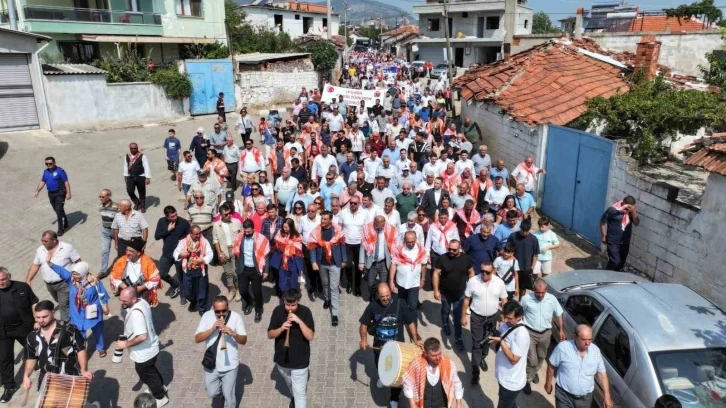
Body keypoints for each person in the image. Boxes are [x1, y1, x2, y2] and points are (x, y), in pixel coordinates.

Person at [359, 283, 422, 408]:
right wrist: (363, 339)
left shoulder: (400, 303)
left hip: (398, 349)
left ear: (390, 293)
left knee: (397, 374)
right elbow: (364, 324)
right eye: (383, 297)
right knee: (380, 367)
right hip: (379, 349)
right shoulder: (372, 306)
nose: (386, 298)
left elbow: (410, 322)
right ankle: (383, 378)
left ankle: (394, 398)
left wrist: (415, 338)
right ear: (378, 295)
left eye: (388, 295)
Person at [22, 301, 93, 394]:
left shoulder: (69, 329)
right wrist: (26, 376)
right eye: (38, 317)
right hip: (48, 381)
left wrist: (84, 370)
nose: (41, 320)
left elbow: (81, 350)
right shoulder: (32, 336)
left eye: (44, 317)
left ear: (53, 312)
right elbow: (31, 358)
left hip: (70, 376)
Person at [116, 287, 169, 407]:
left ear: (134, 299)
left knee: (146, 375)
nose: (121, 303)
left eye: (124, 301)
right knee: (152, 372)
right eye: (120, 299)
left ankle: (160, 397)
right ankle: (160, 387)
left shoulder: (136, 314)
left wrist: (125, 344)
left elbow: (142, 336)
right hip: (151, 347)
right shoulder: (142, 302)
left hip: (144, 353)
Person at [46, 260, 110, 358]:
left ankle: (101, 347)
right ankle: (81, 353)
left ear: (83, 272)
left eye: (77, 274)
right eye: (73, 273)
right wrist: (50, 264)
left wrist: (105, 306)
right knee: (78, 334)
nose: (74, 276)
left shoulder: (94, 281)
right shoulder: (71, 281)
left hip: (93, 312)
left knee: (98, 330)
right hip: (77, 313)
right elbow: (62, 271)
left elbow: (102, 294)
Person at [195, 296, 247, 408]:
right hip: (212, 364)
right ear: (213, 309)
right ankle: (222, 391)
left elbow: (244, 340)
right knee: (212, 392)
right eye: (217, 311)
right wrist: (212, 329)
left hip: (230, 365)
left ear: (228, 307)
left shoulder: (236, 317)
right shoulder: (206, 316)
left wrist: (232, 333)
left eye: (224, 310)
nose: (221, 314)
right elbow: (197, 339)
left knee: (229, 397)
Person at [462, 261, 508, 384]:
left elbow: (504, 300)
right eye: (482, 271)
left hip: (492, 317)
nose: (484, 274)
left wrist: (505, 317)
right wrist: (463, 316)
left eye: (487, 272)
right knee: (476, 343)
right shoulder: (473, 282)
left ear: (492, 271)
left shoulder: (499, 283)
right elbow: (467, 299)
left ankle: (483, 357)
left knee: (487, 341)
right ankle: (475, 372)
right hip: (477, 317)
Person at [267, 289, 315, 408]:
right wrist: (281, 328)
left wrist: (299, 321)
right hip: (282, 360)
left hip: (300, 361)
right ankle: (293, 395)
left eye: (293, 305)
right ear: (284, 300)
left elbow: (310, 336)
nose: (290, 307)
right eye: (287, 304)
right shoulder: (277, 311)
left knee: (300, 393)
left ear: (298, 301)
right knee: (291, 385)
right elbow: (270, 334)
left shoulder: (305, 312)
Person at [545, 324, 612, 408]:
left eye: (590, 339)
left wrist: (607, 396)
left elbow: (602, 374)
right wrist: (548, 383)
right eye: (583, 339)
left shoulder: (596, 351)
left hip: (585, 399)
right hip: (564, 395)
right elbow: (552, 365)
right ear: (575, 337)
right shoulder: (563, 348)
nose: (587, 343)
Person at [0, 267, 38, 403]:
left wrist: (37, 320)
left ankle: (40, 363)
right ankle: (9, 386)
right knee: (4, 359)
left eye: (4, 279)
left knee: (35, 349)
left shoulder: (22, 287)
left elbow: (34, 302)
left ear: (9, 276)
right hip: (3, 331)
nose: (1, 282)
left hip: (24, 327)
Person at [521, 278, 565, 394]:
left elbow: (559, 314)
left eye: (542, 292)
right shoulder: (526, 299)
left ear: (546, 290)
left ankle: (534, 372)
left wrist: (561, 330)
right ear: (533, 290)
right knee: (532, 359)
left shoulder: (552, 299)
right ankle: (527, 380)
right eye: (537, 292)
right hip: (529, 332)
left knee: (541, 356)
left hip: (545, 333)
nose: (540, 295)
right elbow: (520, 314)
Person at [26, 230, 81, 322]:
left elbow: (78, 262)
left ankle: (67, 327)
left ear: (54, 240)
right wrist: (28, 279)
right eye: (42, 240)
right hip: (50, 285)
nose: (43, 243)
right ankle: (74, 309)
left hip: (65, 283)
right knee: (60, 301)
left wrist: (78, 277)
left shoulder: (67, 248)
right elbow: (36, 265)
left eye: (45, 241)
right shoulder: (40, 250)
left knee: (63, 305)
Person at [433, 239, 474, 351]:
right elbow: (436, 274)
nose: (451, 251)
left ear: (459, 248)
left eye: (454, 250)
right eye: (449, 249)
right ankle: (445, 323)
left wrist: (472, 288)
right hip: (445, 293)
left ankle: (458, 338)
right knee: (445, 310)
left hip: (460, 293)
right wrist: (436, 290)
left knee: (457, 316)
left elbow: (471, 272)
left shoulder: (466, 259)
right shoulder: (442, 258)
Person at [402, 337, 464, 408]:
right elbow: (407, 383)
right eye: (434, 355)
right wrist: (412, 404)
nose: (438, 358)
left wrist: (458, 404)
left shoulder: (448, 364)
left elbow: (457, 383)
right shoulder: (417, 364)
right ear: (425, 354)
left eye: (439, 353)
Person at [309, 211, 347, 327]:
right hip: (322, 264)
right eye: (322, 219)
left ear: (331, 220)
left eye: (325, 219)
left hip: (335, 263)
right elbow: (312, 247)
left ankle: (335, 314)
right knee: (325, 284)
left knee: (334, 287)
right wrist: (314, 262)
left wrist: (344, 259)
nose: (322, 221)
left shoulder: (338, 231)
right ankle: (327, 299)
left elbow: (342, 245)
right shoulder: (316, 231)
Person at [491, 301, 529, 408]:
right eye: (505, 317)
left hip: (510, 383)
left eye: (509, 318)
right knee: (510, 404)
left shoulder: (521, 334)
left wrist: (501, 342)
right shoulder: (509, 324)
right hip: (504, 378)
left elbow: (514, 359)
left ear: (519, 317)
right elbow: (500, 331)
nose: (506, 320)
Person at [105, 237, 162, 307]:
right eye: (127, 250)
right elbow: (113, 277)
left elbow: (156, 279)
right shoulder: (121, 261)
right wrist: (123, 286)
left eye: (131, 251)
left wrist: (141, 288)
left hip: (141, 294)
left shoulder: (148, 262)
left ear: (138, 253)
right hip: (126, 292)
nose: (128, 253)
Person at [234, 219, 271, 323]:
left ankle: (259, 310)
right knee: (242, 290)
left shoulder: (261, 239)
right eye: (245, 231)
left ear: (253, 229)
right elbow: (237, 252)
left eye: (249, 232)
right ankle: (249, 301)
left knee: (257, 292)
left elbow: (266, 256)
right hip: (243, 268)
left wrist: (266, 271)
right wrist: (237, 266)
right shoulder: (240, 236)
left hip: (256, 269)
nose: (246, 233)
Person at [174, 225, 213, 315]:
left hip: (200, 270)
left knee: (202, 290)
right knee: (187, 291)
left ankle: (202, 308)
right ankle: (193, 301)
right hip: (188, 270)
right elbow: (175, 253)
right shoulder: (183, 242)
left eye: (200, 233)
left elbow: (210, 254)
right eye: (196, 234)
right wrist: (181, 255)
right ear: (190, 234)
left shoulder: (204, 241)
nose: (199, 235)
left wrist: (203, 260)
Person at [389, 231, 428, 320]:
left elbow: (424, 264)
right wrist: (391, 281)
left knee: (413, 306)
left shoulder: (421, 249)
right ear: (404, 240)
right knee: (401, 303)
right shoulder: (398, 249)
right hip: (401, 282)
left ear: (416, 239)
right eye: (408, 242)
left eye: (412, 242)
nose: (411, 244)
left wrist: (423, 279)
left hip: (414, 283)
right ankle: (401, 320)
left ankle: (413, 325)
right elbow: (393, 265)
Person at [153, 206, 187, 301]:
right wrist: (168, 230)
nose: (175, 217)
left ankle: (183, 295)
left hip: (179, 254)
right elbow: (157, 237)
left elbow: (189, 237)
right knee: (161, 273)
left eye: (176, 214)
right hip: (167, 253)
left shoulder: (183, 223)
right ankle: (175, 285)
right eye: (172, 216)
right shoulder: (161, 221)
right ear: (167, 217)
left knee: (181, 276)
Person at [360, 215, 396, 301]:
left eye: (380, 225)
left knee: (383, 283)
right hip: (371, 262)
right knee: (370, 283)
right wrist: (361, 261)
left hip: (384, 262)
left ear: (384, 223)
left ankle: (381, 298)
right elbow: (362, 246)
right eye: (375, 224)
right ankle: (372, 294)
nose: (377, 226)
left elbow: (394, 245)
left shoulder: (389, 230)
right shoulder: (367, 229)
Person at [600, 196, 640, 271]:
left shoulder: (631, 212)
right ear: (623, 203)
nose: (628, 209)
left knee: (621, 264)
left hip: (625, 242)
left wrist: (634, 212)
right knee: (615, 261)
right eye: (627, 206)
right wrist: (603, 235)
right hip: (613, 242)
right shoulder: (613, 210)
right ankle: (606, 277)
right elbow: (602, 221)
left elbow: (636, 223)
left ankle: (614, 279)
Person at [213, 203, 243, 302]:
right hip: (224, 250)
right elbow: (215, 240)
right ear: (221, 215)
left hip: (235, 250)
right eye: (225, 214)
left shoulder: (237, 222)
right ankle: (231, 290)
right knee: (228, 273)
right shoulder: (216, 225)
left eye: (229, 213)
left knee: (235, 271)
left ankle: (238, 289)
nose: (228, 216)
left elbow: (242, 236)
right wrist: (219, 253)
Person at [34, 156, 71, 235]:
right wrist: (37, 191)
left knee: (58, 210)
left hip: (60, 193)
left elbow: (66, 182)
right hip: (51, 194)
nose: (48, 165)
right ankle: (66, 222)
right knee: (58, 210)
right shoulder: (45, 172)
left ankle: (61, 229)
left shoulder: (60, 171)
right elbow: (42, 182)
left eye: (50, 163)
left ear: (54, 163)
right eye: (46, 164)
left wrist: (68, 193)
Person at [270, 219, 305, 292]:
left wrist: (289, 246)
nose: (284, 229)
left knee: (293, 282)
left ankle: (292, 296)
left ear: (291, 227)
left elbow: (299, 249)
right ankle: (285, 293)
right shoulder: (280, 233)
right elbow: (277, 243)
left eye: (286, 227)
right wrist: (285, 246)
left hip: (293, 260)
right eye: (283, 227)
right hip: (283, 261)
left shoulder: (297, 236)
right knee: (282, 283)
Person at [510, 219, 540, 299]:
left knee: (522, 288)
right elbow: (508, 251)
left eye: (526, 231)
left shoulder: (533, 239)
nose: (524, 232)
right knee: (510, 286)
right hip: (513, 267)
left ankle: (520, 302)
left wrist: (532, 267)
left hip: (526, 268)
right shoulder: (513, 236)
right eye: (523, 230)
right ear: (520, 227)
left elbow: (535, 255)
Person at [124, 143, 152, 213]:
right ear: (129, 149)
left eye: (135, 148)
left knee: (141, 192)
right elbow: (125, 166)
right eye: (132, 148)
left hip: (140, 176)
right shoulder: (127, 156)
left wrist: (148, 177)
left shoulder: (142, 156)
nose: (133, 150)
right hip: (130, 176)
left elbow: (146, 167)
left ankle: (142, 206)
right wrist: (125, 176)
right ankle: (137, 202)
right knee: (129, 190)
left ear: (137, 148)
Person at [98, 189, 119, 273]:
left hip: (116, 231)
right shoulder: (100, 206)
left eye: (103, 197)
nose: (101, 198)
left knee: (121, 251)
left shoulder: (116, 207)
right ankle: (103, 271)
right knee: (104, 251)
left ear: (109, 196)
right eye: (100, 196)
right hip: (105, 231)